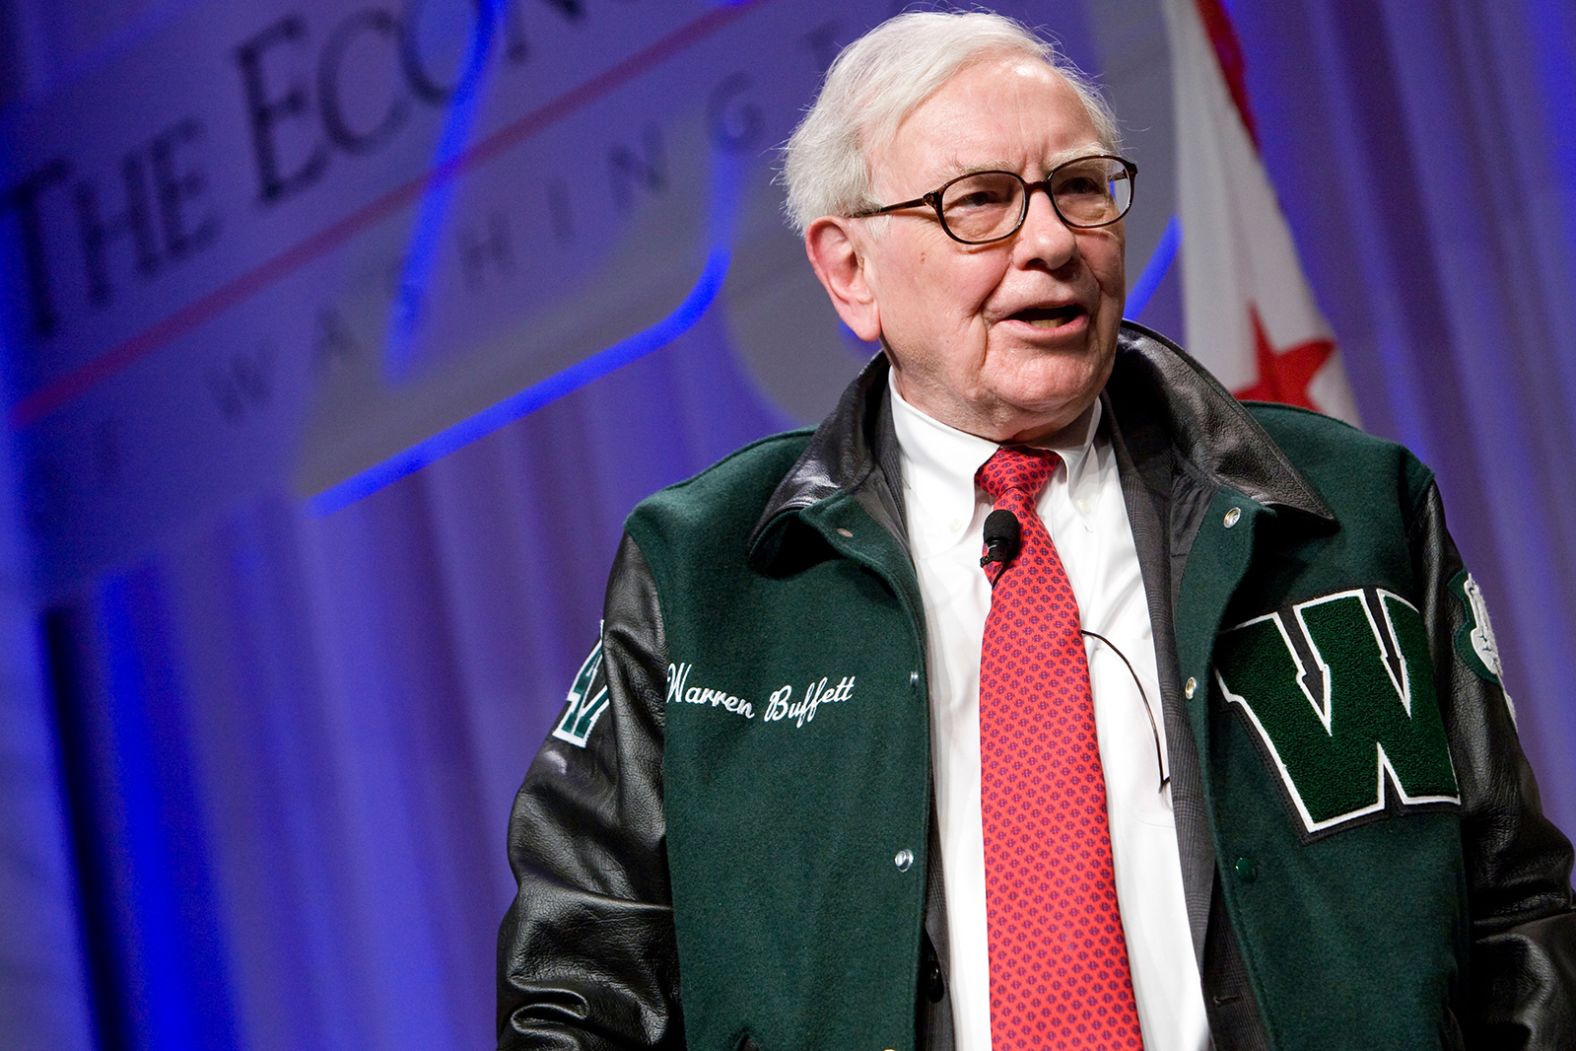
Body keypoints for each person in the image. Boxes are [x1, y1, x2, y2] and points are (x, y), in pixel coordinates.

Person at [498, 10, 1576, 1050]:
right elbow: (581, 982)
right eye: (978, 202)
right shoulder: (704, 573)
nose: (1052, 242)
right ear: (847, 269)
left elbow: (1517, 912)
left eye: (1078, 189)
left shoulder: (1349, 509)